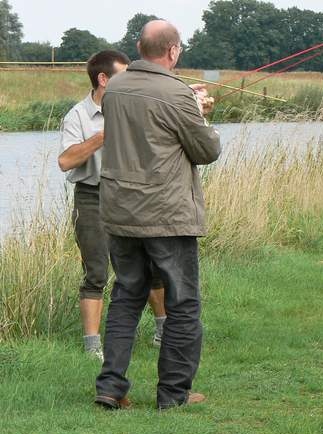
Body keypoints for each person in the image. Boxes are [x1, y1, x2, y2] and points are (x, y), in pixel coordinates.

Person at [95, 20, 221, 410]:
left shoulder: (114, 88)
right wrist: (199, 112)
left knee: (126, 297)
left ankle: (110, 388)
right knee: (182, 304)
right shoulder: (178, 93)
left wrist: (186, 103)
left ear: (139, 46)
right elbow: (206, 151)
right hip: (166, 213)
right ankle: (173, 394)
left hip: (120, 210)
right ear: (172, 52)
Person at [58, 49, 167, 361]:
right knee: (95, 271)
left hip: (131, 195)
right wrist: (102, 137)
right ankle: (92, 347)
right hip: (91, 197)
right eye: (124, 76)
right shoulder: (77, 116)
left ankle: (162, 329)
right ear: (103, 79)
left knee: (149, 266)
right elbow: (65, 161)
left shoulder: (134, 106)